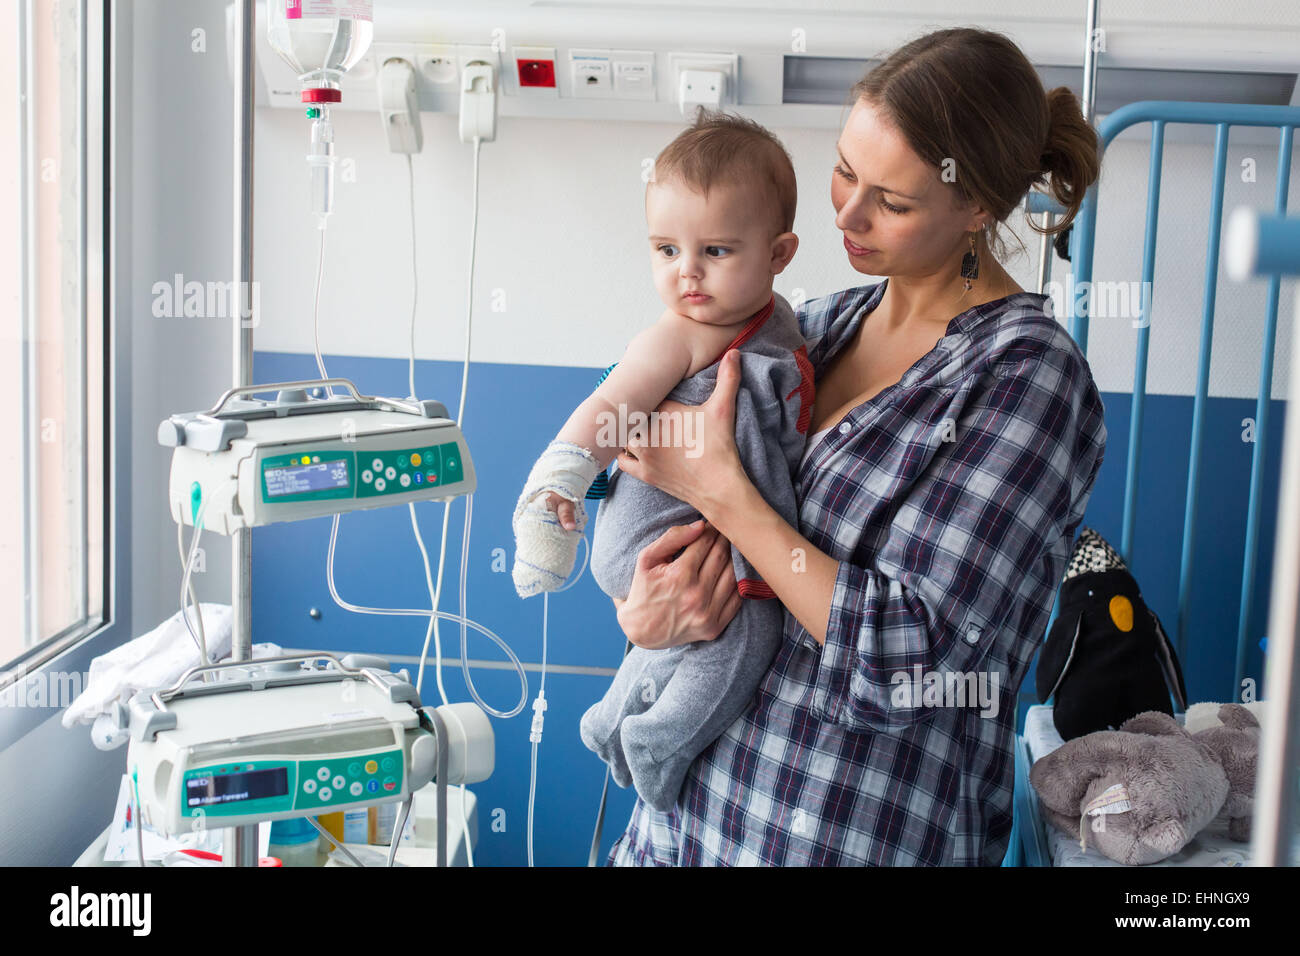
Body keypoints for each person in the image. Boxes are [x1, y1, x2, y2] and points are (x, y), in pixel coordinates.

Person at [603, 26, 1107, 865]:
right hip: (684, 829)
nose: (845, 213)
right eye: (844, 169)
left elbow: (909, 663)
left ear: (978, 206)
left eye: (893, 202)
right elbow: (661, 495)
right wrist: (647, 613)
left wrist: (728, 493)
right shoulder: (821, 327)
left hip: (841, 836)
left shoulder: (1024, 378)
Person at [511, 111, 815, 812]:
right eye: (665, 250)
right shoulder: (680, 335)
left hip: (689, 534)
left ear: (780, 252)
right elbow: (609, 409)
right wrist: (559, 486)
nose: (688, 274)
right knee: (749, 632)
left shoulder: (782, 327)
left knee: (686, 642)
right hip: (653, 535)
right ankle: (659, 740)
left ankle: (613, 716)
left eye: (715, 250)